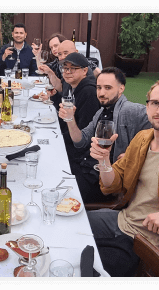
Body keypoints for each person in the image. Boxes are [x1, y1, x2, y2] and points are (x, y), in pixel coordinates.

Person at [87, 79, 159, 277]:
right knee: (67, 227)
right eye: (154, 103)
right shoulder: (143, 138)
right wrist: (104, 160)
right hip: (121, 220)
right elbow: (112, 184)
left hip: (149, 244)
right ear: (147, 107)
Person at [60, 67, 151, 166]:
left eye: (108, 87)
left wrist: (134, 155)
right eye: (99, 87)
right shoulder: (100, 112)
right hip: (92, 166)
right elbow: (80, 141)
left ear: (121, 89)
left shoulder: (131, 110)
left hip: (112, 173)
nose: (101, 93)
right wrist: (70, 118)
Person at [55, 52, 102, 203]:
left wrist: (58, 139)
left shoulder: (89, 92)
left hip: (84, 155)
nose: (67, 72)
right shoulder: (71, 86)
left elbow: (84, 132)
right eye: (65, 68)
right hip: (74, 144)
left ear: (84, 70)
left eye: (72, 68)